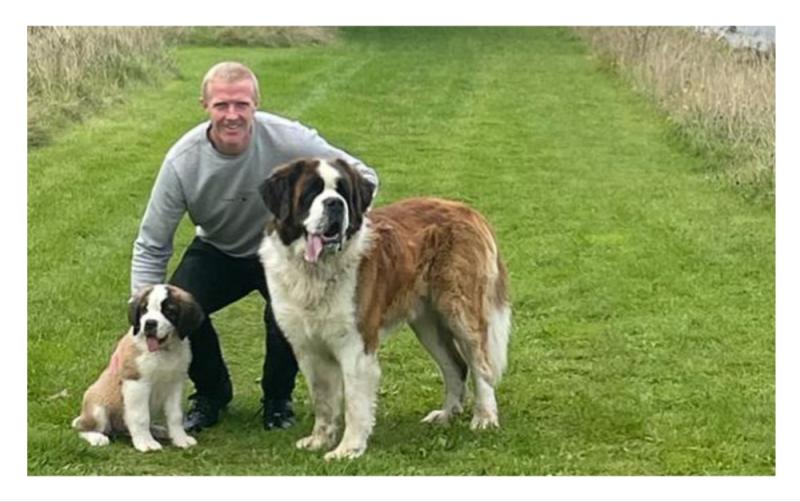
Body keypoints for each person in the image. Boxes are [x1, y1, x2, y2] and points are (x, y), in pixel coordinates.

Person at [130, 61, 379, 431]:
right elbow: (152, 243)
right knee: (181, 307)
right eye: (222, 105)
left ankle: (277, 400)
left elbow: (364, 177)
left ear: (256, 105)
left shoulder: (289, 138)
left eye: (241, 104)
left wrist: (339, 227)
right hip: (218, 250)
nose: (232, 115)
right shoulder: (182, 161)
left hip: (282, 252)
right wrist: (140, 313)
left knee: (287, 314)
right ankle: (212, 394)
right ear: (205, 106)